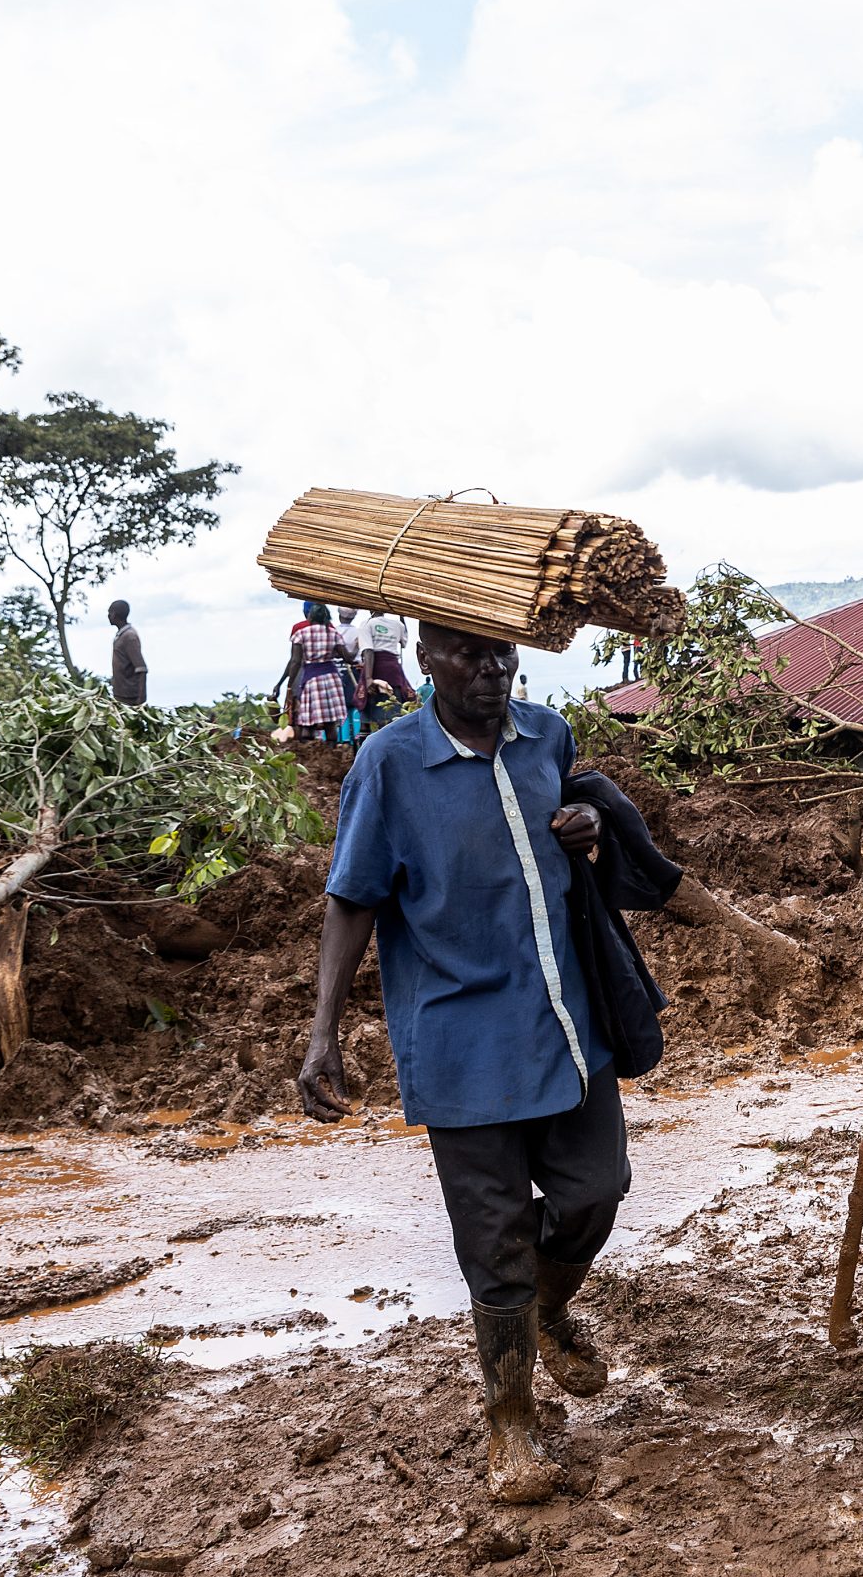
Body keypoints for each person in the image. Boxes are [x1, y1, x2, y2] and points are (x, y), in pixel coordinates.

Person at [299, 622, 653, 1503]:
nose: (491, 669)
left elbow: (582, 821)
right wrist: (323, 1032)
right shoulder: (389, 764)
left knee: (595, 1190)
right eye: (469, 653)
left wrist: (591, 822)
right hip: (459, 1040)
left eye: (502, 653)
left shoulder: (548, 736)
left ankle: (551, 1306)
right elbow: (352, 899)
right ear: (426, 660)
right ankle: (512, 1425)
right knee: (492, 1239)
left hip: (567, 1023)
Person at [278, 601, 354, 743]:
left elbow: (295, 662)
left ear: (310, 617)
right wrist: (356, 646)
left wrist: (289, 685)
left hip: (311, 680)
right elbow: (348, 658)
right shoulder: (333, 633)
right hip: (332, 679)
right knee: (330, 723)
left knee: (307, 721)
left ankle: (311, 755)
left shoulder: (301, 634)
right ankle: (331, 754)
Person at [362, 610, 417, 707]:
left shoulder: (366, 624)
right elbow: (404, 642)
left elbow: (368, 650)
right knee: (395, 707)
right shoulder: (397, 624)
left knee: (374, 709)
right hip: (393, 670)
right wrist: (402, 618)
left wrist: (368, 678)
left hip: (375, 669)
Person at [107, 600, 147, 706]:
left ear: (114, 614)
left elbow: (141, 668)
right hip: (120, 695)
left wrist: (141, 699)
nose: (108, 616)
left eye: (109, 613)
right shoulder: (121, 635)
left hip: (130, 697)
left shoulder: (129, 637)